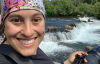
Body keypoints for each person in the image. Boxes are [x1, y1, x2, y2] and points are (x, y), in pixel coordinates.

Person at [0, 0, 88, 64]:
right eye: (16, 20)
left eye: (36, 19)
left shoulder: (27, 47)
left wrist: (67, 62)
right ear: (3, 23)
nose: (28, 33)